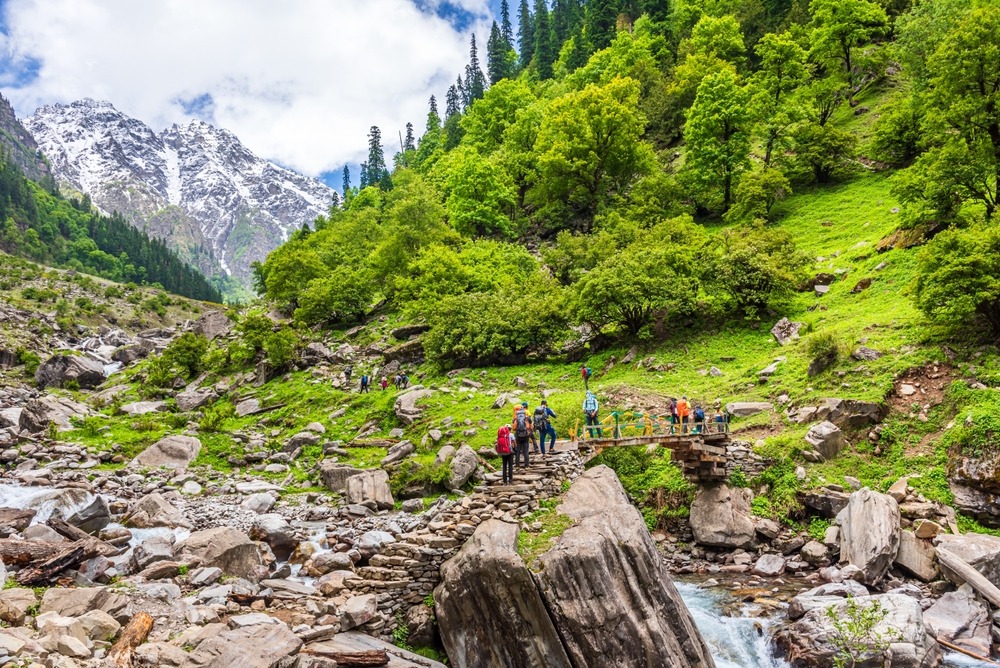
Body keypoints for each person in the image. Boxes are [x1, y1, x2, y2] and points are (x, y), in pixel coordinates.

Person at [513, 402, 532, 468]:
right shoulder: (526, 414)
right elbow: (530, 424)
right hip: (525, 434)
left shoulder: (516, 416)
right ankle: (526, 465)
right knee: (525, 450)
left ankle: (517, 465)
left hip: (518, 435)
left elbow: (514, 427)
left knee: (518, 450)